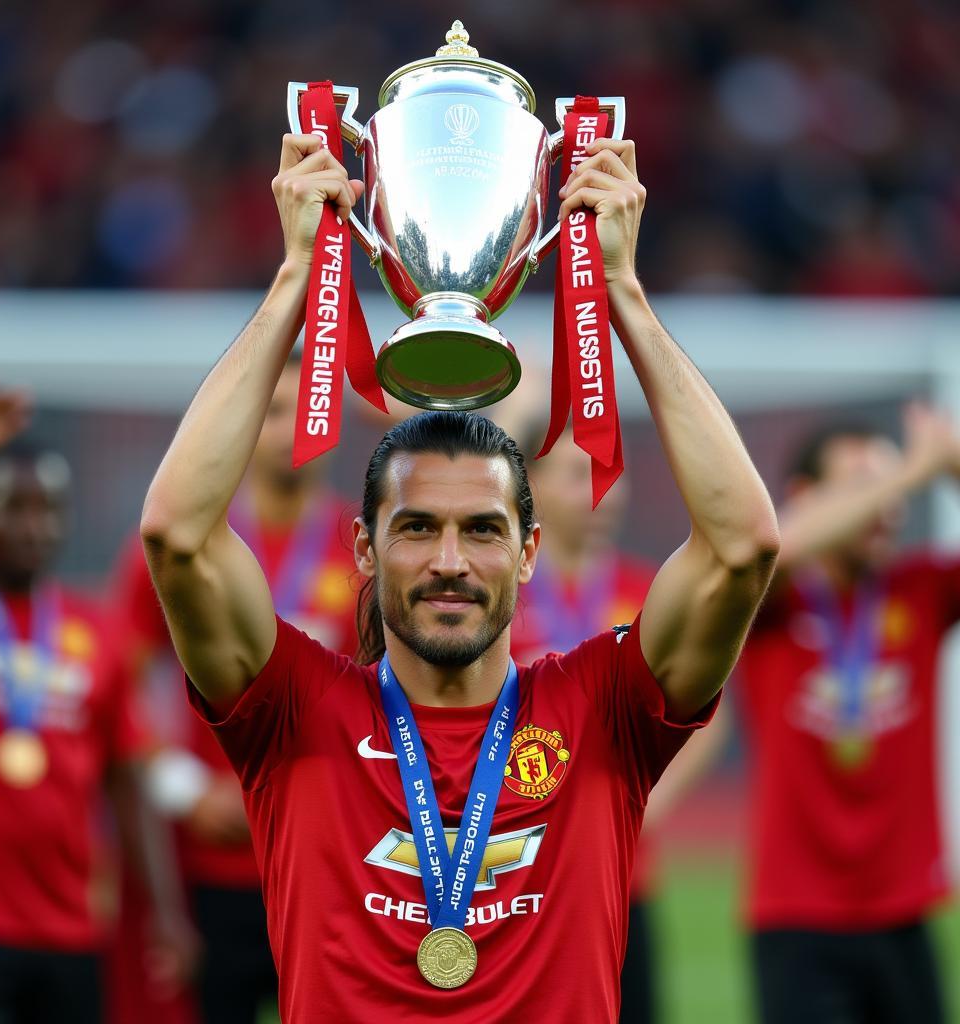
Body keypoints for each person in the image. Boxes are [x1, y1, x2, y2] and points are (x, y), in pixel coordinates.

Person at [139, 130, 779, 1019]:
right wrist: (297, 277)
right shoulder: (296, 709)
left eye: (482, 529)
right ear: (363, 549)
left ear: (527, 549)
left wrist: (623, 292)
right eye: (416, 529)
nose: (449, 562)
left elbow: (744, 547)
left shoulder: (602, 710)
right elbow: (176, 536)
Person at [111, 349, 358, 1024]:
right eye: (273, 411)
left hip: (327, 862)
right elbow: (116, 685)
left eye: (310, 409)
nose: (291, 429)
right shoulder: (185, 546)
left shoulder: (366, 549)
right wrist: (182, 788)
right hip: (209, 865)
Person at [0, 385, 194, 1024]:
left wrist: (167, 916)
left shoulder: (96, 627)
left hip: (72, 927)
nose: (34, 525)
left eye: (49, 508)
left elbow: (127, 781)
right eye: (13, 507)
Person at [736, 405, 959, 1024]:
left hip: (905, 913)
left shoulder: (921, 589)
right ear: (804, 497)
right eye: (861, 488)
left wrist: (949, 462)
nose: (887, 507)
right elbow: (778, 550)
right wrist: (909, 474)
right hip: (796, 915)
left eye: (890, 488)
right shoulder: (771, 600)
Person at [515, 421, 731, 1024]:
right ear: (529, 483)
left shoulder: (651, 592)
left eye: (612, 475)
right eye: (580, 473)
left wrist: (647, 802)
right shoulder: (495, 594)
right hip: (509, 872)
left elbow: (713, 717)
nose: (602, 491)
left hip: (620, 879)